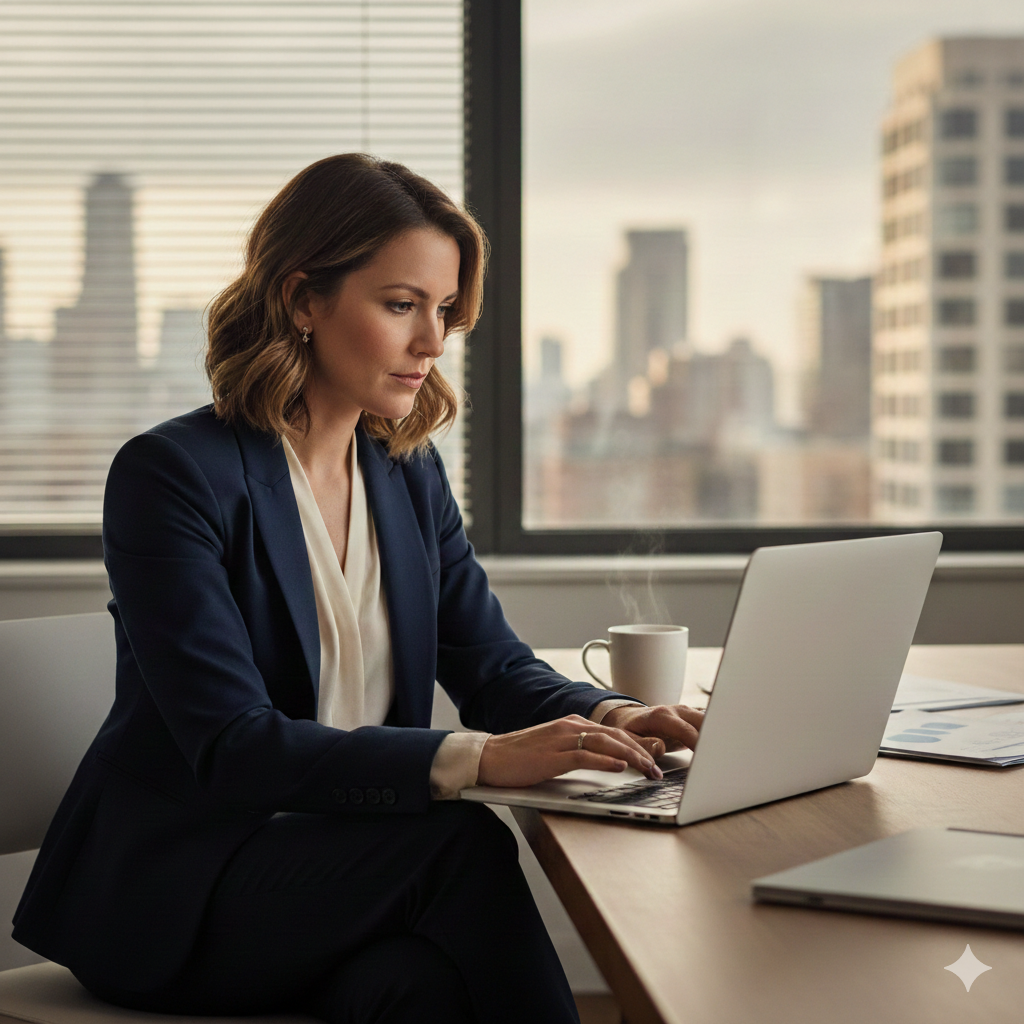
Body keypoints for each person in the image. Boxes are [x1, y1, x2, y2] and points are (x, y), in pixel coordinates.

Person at [13, 154, 704, 1024]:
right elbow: (236, 747)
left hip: (334, 873)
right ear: (303, 299)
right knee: (457, 850)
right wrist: (482, 758)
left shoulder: (405, 472)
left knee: (417, 989)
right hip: (190, 888)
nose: (433, 342)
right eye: (401, 304)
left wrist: (612, 715)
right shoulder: (173, 475)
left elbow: (488, 663)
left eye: (445, 311)